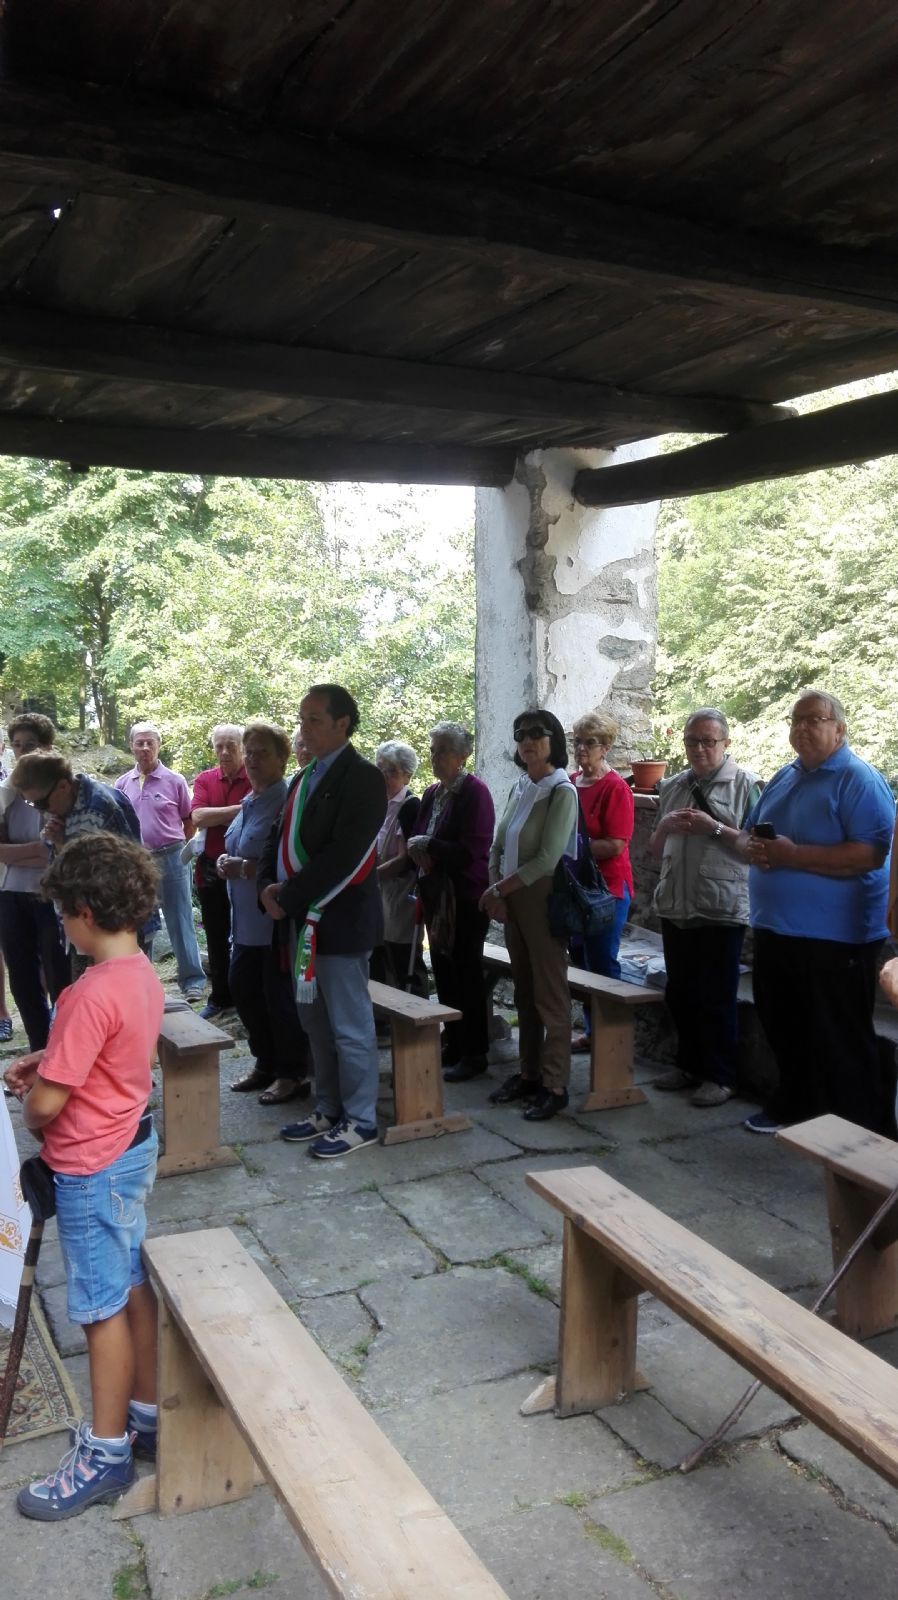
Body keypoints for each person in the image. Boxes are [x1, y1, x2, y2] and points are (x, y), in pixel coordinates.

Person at [5, 833, 165, 1520]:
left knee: (99, 1308)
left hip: (91, 1168)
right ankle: (146, 1414)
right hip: (129, 1150)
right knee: (129, 1284)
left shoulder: (87, 992)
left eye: (63, 914)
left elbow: (48, 1106)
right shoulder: (140, 973)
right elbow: (109, 1055)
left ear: (84, 913)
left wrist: (32, 1103)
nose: (62, 925)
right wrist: (49, 1058)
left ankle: (105, 1455)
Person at [741, 689, 895, 1135]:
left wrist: (791, 855)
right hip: (777, 929)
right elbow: (752, 833)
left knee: (840, 1035)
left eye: (815, 719)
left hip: (837, 937)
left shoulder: (857, 778)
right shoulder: (785, 775)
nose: (803, 728)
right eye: (797, 720)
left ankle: (857, 1132)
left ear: (839, 729)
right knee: (784, 1027)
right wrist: (754, 847)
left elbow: (870, 855)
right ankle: (794, 1110)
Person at [257, 685, 387, 1159]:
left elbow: (343, 855)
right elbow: (276, 839)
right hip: (301, 923)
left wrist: (288, 897)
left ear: (342, 723)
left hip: (340, 923)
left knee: (350, 1027)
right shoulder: (303, 777)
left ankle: (361, 1119)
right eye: (302, 719)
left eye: (314, 720)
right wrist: (266, 888)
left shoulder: (364, 778)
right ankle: (328, 1108)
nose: (304, 729)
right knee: (315, 1022)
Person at [648, 708, 761, 1108]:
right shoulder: (673, 785)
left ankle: (720, 1076)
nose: (699, 748)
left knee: (716, 995)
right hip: (676, 902)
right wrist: (665, 826)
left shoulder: (746, 785)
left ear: (725, 743)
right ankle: (689, 1066)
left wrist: (712, 827)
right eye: (692, 741)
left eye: (708, 741)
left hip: (720, 904)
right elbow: (654, 851)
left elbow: (754, 848)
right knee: (680, 993)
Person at [480, 709, 578, 1120]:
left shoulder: (561, 791)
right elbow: (498, 844)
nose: (527, 741)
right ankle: (529, 1074)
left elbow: (547, 859)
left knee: (550, 995)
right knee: (523, 990)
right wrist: (496, 889)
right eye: (520, 734)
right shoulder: (521, 786)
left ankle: (555, 1085)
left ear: (554, 740)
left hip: (541, 899)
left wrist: (498, 890)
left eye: (537, 733)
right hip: (512, 899)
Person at [217, 721, 311, 1105]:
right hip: (244, 924)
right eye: (250, 752)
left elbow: (290, 864)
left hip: (273, 923)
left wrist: (243, 868)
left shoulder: (287, 801)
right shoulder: (249, 801)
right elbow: (239, 846)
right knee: (244, 991)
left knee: (278, 1001)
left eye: (262, 753)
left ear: (282, 758)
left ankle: (292, 1073)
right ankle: (265, 1063)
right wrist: (226, 860)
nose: (253, 760)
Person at [408, 723, 494, 1079]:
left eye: (442, 750)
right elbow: (418, 833)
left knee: (466, 973)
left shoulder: (475, 792)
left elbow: (472, 850)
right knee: (443, 971)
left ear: (463, 756)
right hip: (436, 895)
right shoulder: (433, 792)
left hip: (465, 897)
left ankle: (474, 1053)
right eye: (433, 750)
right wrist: (420, 848)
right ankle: (454, 1043)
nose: (435, 757)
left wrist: (429, 846)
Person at [10, 750, 145, 978]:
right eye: (31, 803)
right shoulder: (61, 805)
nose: (40, 810)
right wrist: (59, 843)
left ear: (63, 786)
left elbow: (114, 876)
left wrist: (63, 843)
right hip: (83, 926)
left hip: (110, 927)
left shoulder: (100, 809)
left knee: (110, 991)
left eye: (41, 802)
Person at [115, 721, 206, 1000]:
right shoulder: (122, 784)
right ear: (131, 746)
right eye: (139, 742)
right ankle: (144, 983)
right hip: (137, 862)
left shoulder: (175, 780)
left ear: (158, 745)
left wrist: (174, 847)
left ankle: (192, 980)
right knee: (140, 922)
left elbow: (189, 821)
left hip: (172, 857)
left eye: (150, 742)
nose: (144, 748)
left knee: (180, 919)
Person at [0, 713, 69, 1051]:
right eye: (16, 745)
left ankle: (66, 1050)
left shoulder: (57, 789)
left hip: (50, 893)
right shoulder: (7, 792)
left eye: (30, 745)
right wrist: (35, 849)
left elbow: (53, 852)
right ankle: (39, 1051)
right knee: (22, 980)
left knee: (59, 977)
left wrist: (16, 852)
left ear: (47, 747)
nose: (22, 752)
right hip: (10, 893)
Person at [569, 711, 635, 1052]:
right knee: (581, 959)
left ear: (606, 748)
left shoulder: (616, 788)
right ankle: (592, 1033)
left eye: (590, 743)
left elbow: (615, 844)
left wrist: (570, 849)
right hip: (575, 888)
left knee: (602, 963)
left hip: (606, 891)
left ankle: (612, 1043)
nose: (581, 748)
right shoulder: (569, 783)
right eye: (577, 741)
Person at [191, 725, 251, 1020]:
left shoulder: (254, 776)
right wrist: (241, 808)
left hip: (245, 868)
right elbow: (198, 816)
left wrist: (217, 814)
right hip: (210, 868)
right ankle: (220, 997)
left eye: (231, 745)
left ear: (242, 747)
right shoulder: (205, 779)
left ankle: (246, 998)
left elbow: (261, 811)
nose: (225, 752)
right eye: (219, 746)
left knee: (246, 934)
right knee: (215, 934)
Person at [371, 740, 426, 998]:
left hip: (400, 896)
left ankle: (416, 1016)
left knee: (403, 962)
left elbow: (404, 860)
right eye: (379, 769)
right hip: (379, 894)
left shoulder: (409, 806)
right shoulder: (377, 803)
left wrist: (368, 877)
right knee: (380, 963)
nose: (383, 776)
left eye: (391, 771)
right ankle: (384, 1017)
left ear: (408, 775)